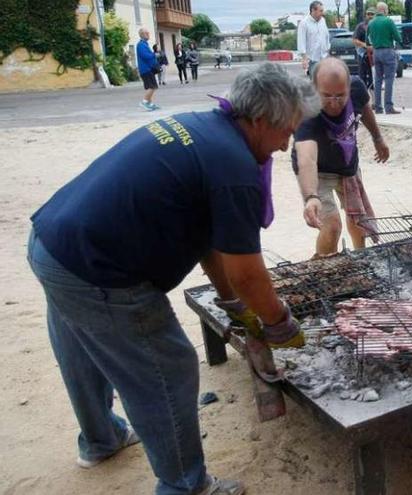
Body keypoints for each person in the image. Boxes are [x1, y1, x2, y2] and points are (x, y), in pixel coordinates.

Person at [27, 62, 321, 495]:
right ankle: (186, 486)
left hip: (53, 243)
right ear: (260, 121)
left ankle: (100, 440)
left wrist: (231, 303)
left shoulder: (203, 128)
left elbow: (209, 243)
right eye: (286, 132)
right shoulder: (236, 168)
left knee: (85, 346)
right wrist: (280, 323)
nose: (285, 145)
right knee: (168, 367)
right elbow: (247, 270)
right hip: (100, 271)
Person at [292, 58, 390, 255]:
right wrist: (311, 196)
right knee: (332, 225)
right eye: (327, 96)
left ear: (348, 87)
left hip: (347, 164)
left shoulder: (356, 88)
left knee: (358, 217)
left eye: (340, 95)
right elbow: (306, 158)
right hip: (317, 171)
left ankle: (360, 260)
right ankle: (325, 270)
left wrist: (378, 138)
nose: (334, 103)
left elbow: (364, 107)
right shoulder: (305, 109)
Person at [367, 2, 403, 114]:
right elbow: (398, 37)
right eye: (387, 10)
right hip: (388, 51)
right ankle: (388, 107)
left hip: (376, 52)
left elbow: (367, 40)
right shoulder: (388, 21)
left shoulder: (371, 23)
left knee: (377, 80)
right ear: (384, 10)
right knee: (389, 80)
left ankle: (378, 107)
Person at [299, 1, 330, 76]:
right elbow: (301, 41)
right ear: (313, 10)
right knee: (316, 83)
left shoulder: (323, 21)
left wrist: (328, 50)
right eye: (321, 11)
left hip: (324, 58)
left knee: (325, 82)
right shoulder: (304, 23)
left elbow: (326, 36)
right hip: (312, 60)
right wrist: (304, 58)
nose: (323, 13)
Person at [135, 29, 160, 111]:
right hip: (145, 69)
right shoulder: (141, 45)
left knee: (151, 86)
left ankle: (150, 103)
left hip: (147, 69)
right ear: (142, 34)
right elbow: (146, 56)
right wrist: (154, 54)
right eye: (147, 33)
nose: (149, 34)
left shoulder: (144, 44)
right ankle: (144, 102)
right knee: (152, 87)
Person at [353, 8, 375, 89]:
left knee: (374, 76)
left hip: (374, 54)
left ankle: (374, 97)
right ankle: (363, 95)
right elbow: (354, 40)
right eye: (368, 14)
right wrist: (365, 45)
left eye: (372, 14)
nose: (370, 16)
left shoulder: (377, 26)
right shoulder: (361, 26)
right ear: (365, 15)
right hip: (363, 54)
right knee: (362, 76)